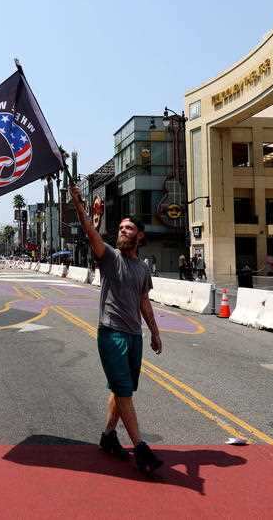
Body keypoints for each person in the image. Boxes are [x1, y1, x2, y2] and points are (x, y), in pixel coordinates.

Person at [69, 183, 164, 475]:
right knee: (124, 392)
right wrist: (79, 205)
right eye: (121, 227)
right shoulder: (109, 257)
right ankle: (142, 449)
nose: (122, 231)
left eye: (128, 228)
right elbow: (91, 232)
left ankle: (108, 436)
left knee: (121, 390)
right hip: (110, 334)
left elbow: (144, 301)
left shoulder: (142, 269)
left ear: (140, 236)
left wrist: (155, 332)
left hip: (134, 336)